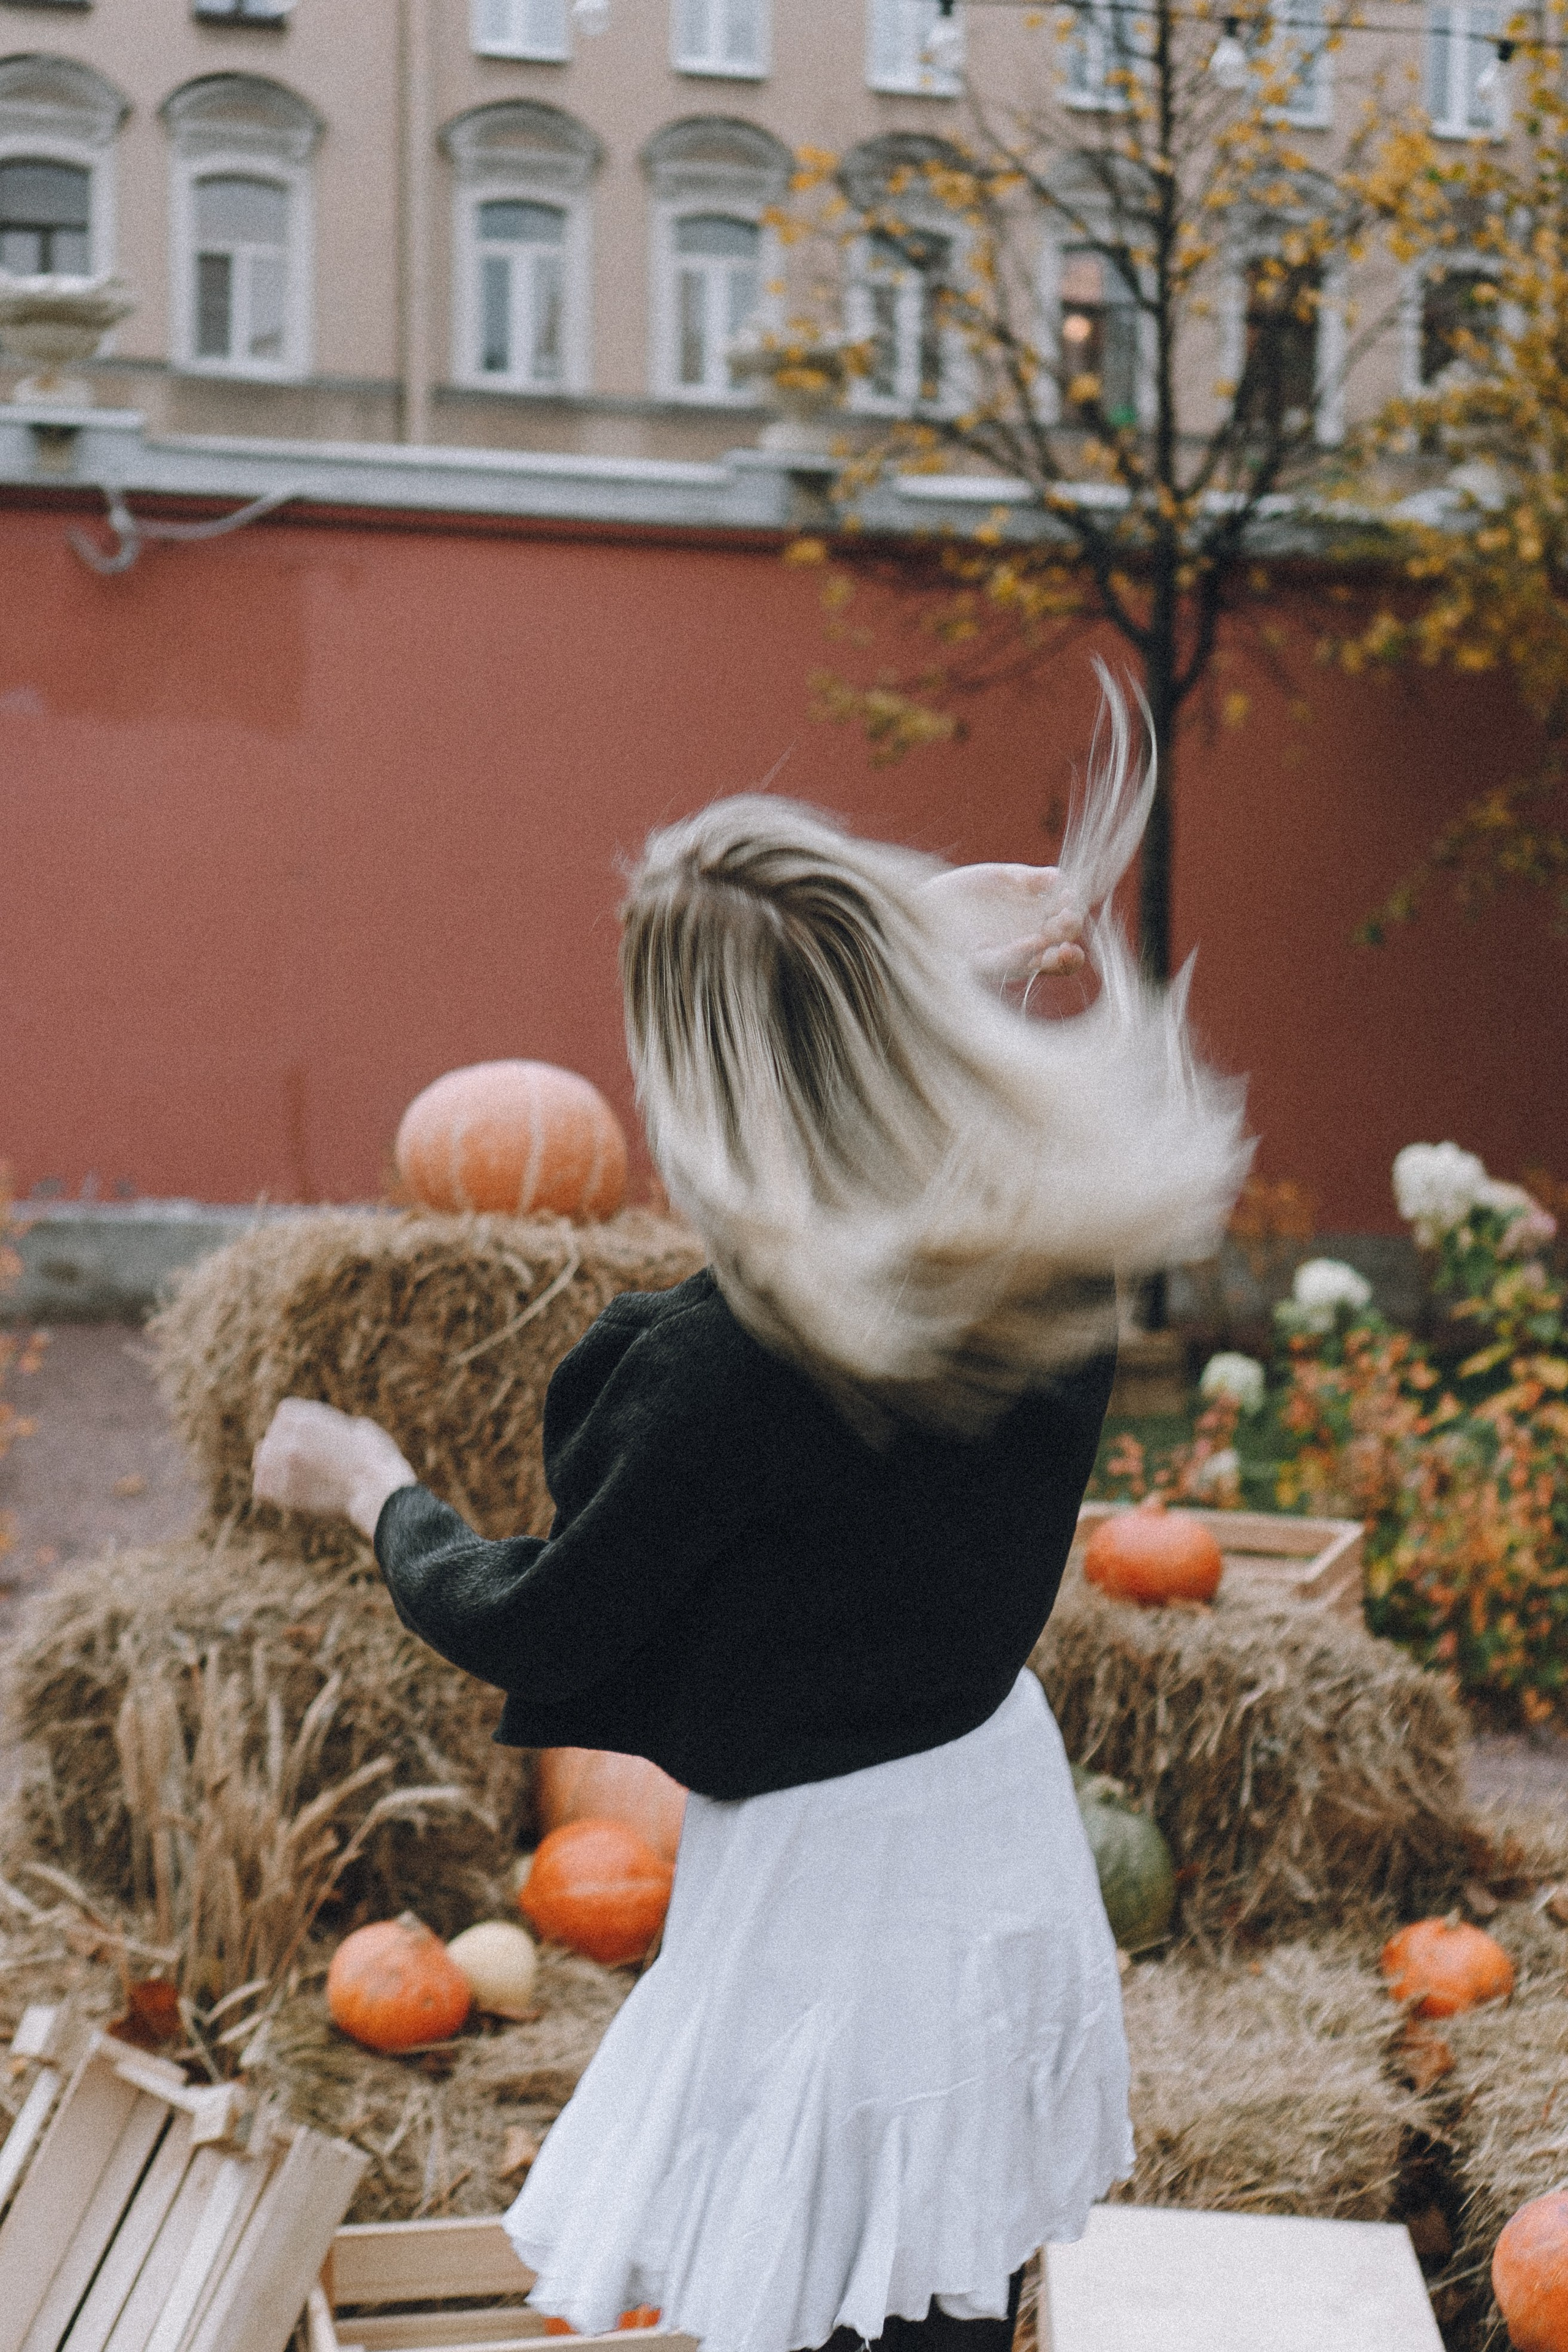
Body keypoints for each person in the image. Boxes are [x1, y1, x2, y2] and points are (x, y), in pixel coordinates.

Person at [254, 680, 1248, 2352]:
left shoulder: (730, 1368)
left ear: (701, 1075)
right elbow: (878, 1110)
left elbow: (545, 1620)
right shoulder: (1046, 1240)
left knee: (828, 2296)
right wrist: (902, 949)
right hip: (989, 1819)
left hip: (833, 1892)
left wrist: (373, 1487)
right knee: (949, 2261)